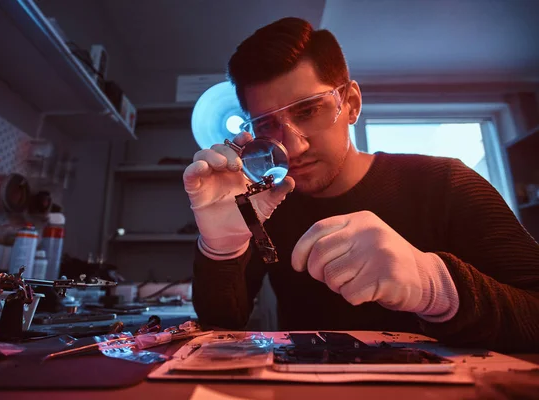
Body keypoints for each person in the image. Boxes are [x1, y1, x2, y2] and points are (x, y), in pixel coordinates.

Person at [182, 17, 539, 352]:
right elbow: (221, 327)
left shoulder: (446, 183)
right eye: (267, 125)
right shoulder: (265, 208)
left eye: (308, 111)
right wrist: (221, 250)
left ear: (351, 103)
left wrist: (436, 287)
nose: (294, 146)